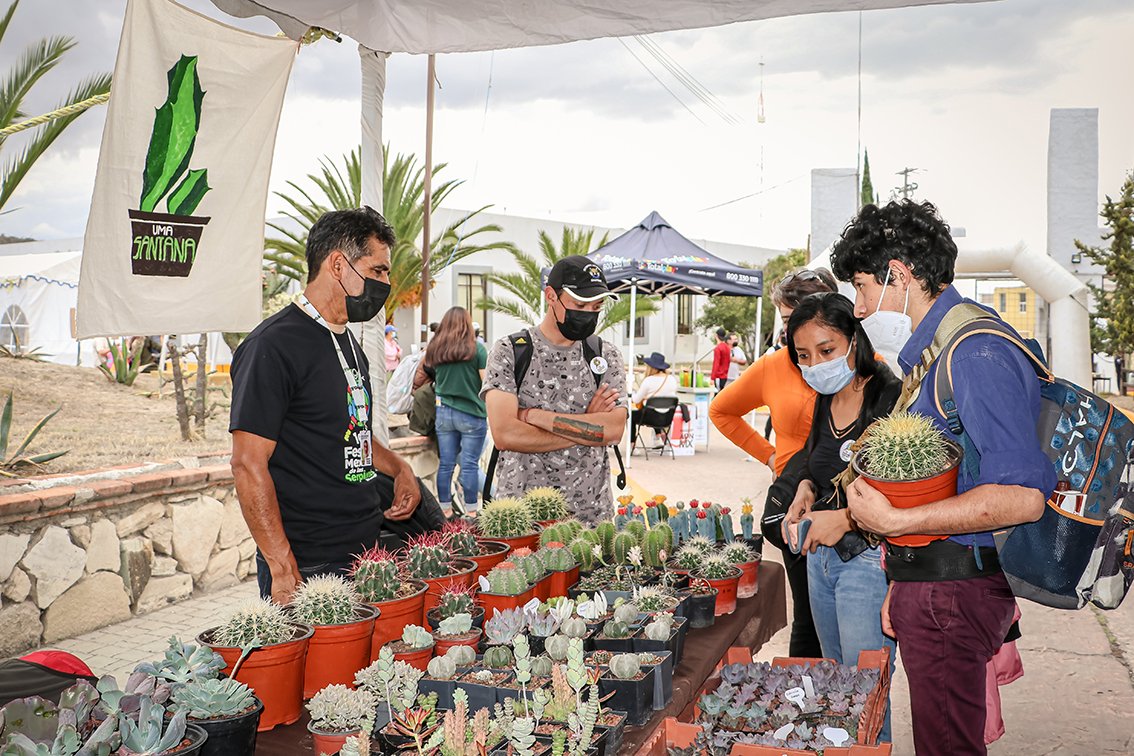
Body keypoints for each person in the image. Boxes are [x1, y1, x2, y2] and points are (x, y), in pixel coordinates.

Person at [832, 200, 1055, 755]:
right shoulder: (939, 352)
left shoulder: (975, 353)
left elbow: (1023, 497)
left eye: (862, 287)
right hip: (932, 585)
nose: (859, 308)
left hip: (953, 593)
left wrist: (895, 522)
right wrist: (902, 575)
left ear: (899, 275)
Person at [229, 207, 426, 605]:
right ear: (338, 265)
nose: (386, 284)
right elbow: (248, 464)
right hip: (308, 562)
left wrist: (399, 468)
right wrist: (282, 565)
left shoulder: (349, 342)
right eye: (377, 270)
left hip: (365, 550)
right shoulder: (272, 346)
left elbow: (348, 430)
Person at [782, 292, 900, 742]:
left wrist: (846, 520)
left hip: (867, 563)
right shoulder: (824, 399)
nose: (815, 364)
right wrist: (805, 489)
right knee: (835, 688)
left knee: (866, 695)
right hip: (820, 560)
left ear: (854, 339)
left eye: (826, 350)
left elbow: (899, 492)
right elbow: (817, 462)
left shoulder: (890, 396)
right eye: (804, 355)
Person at [709, 267, 838, 657]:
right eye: (787, 321)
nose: (796, 331)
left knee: (850, 617)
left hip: (848, 504)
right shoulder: (774, 366)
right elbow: (721, 411)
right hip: (794, 506)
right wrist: (770, 457)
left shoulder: (859, 363)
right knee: (808, 618)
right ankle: (803, 694)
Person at [482, 255, 627, 524]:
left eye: (597, 306)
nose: (589, 313)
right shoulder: (509, 352)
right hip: (522, 518)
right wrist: (589, 426)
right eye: (580, 304)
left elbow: (614, 430)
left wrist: (534, 417)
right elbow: (505, 434)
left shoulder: (605, 355)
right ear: (551, 296)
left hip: (591, 518)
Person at [426, 306, 489, 515]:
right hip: (471, 413)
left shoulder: (436, 348)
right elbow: (486, 382)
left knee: (446, 464)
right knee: (469, 465)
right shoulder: (477, 349)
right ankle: (471, 512)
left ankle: (445, 511)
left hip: (444, 412)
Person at [630, 352, 679, 447]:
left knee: (632, 415)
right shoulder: (672, 379)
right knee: (655, 408)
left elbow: (636, 400)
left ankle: (632, 444)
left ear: (651, 367)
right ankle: (658, 437)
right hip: (667, 418)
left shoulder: (648, 381)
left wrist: (632, 393)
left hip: (651, 417)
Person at [710, 328, 731, 392]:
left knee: (717, 393)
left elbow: (716, 363)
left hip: (718, 376)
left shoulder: (718, 348)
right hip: (725, 375)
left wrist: (712, 377)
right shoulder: (727, 348)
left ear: (716, 336)